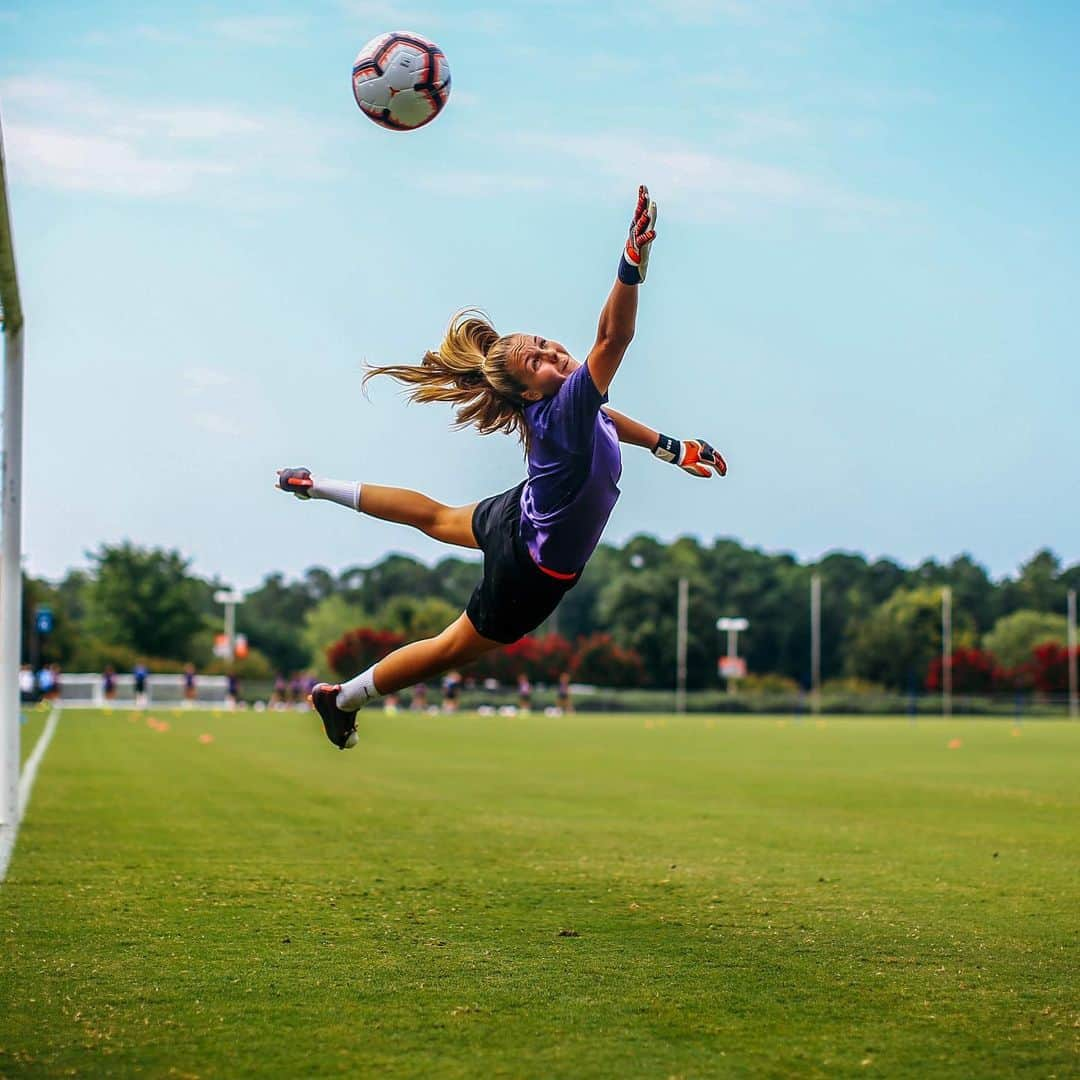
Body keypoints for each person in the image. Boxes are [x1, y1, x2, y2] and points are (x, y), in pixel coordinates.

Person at [276, 186, 726, 751]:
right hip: (531, 572)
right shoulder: (563, 410)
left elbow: (606, 420)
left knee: (437, 518)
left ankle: (318, 486)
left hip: (523, 510)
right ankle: (340, 699)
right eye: (535, 363)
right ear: (524, 393)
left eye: (541, 344)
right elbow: (615, 335)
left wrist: (669, 445)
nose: (550, 356)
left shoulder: (572, 406)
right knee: (447, 648)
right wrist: (630, 265)